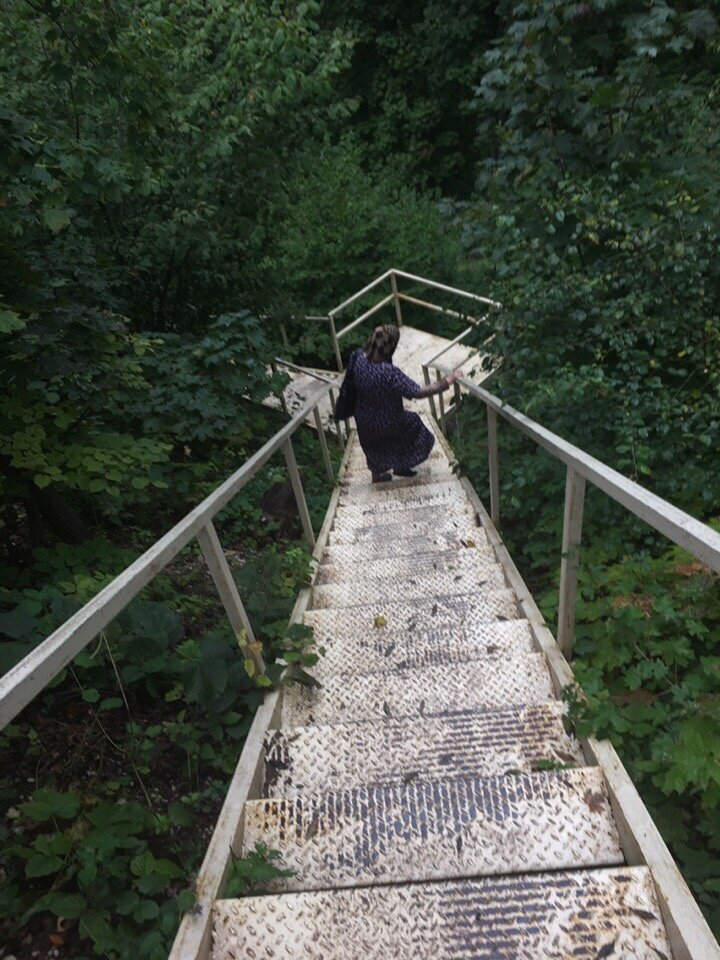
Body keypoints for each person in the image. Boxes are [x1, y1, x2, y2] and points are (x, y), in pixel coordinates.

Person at [351, 323, 463, 483]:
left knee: (374, 441)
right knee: (413, 423)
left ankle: (377, 476)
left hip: (363, 421)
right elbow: (416, 392)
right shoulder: (389, 372)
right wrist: (447, 381)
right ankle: (401, 465)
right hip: (388, 421)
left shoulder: (358, 361)